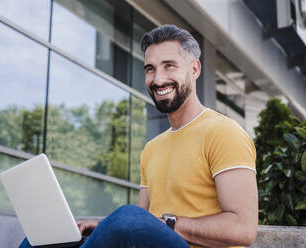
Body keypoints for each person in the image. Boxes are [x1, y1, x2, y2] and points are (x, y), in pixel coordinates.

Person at [21, 24, 258, 248]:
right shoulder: (152, 149)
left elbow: (243, 229)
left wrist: (167, 224)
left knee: (127, 217)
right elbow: (141, 225)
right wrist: (106, 227)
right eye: (150, 69)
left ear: (194, 69)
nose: (157, 79)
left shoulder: (223, 132)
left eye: (169, 66)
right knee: (46, 238)